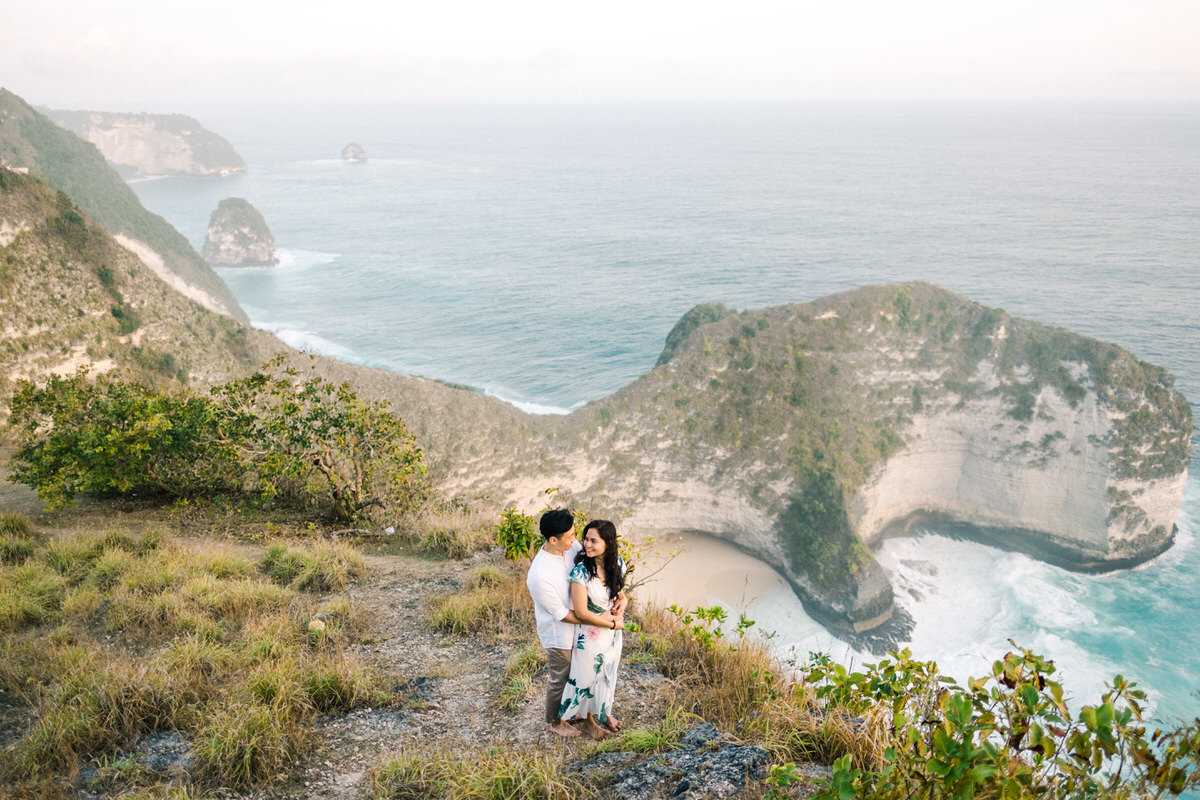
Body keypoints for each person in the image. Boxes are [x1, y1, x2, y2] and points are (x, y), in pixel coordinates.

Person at [525, 508, 622, 738]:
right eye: (570, 536)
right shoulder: (539, 575)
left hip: (585, 629)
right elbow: (564, 614)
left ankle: (583, 712)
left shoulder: (571, 547)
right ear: (553, 540)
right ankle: (554, 721)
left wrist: (619, 599)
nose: (576, 540)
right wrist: (602, 621)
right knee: (560, 677)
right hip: (560, 633)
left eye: (574, 533)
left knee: (585, 673)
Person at [559, 519, 627, 740]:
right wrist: (611, 623)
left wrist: (622, 606)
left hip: (613, 634)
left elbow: (621, 595)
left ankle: (604, 712)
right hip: (590, 634)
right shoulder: (580, 573)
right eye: (585, 539)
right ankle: (588, 722)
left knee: (608, 673)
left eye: (593, 540)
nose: (587, 544)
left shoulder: (618, 564)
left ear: (607, 543)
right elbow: (580, 613)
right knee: (588, 676)